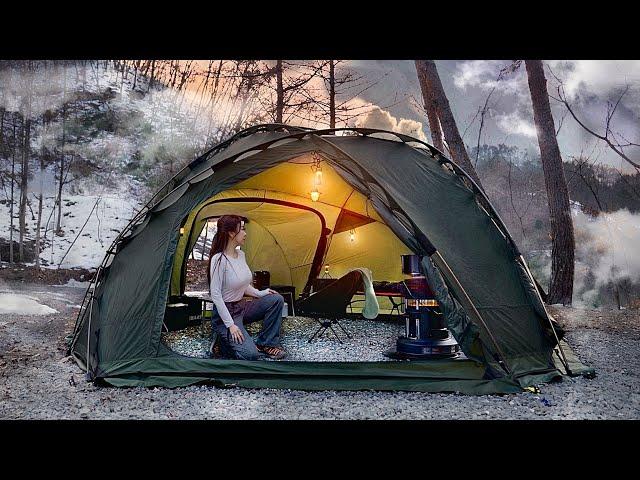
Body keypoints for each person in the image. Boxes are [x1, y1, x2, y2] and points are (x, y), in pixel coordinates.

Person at [207, 214, 287, 360]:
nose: (245, 233)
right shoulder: (219, 259)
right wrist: (231, 325)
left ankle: (266, 343)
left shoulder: (241, 254)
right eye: (242, 229)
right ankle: (222, 339)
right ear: (232, 233)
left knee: (276, 299)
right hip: (225, 313)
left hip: (241, 307)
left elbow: (243, 285)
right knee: (250, 355)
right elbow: (216, 295)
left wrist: (261, 293)